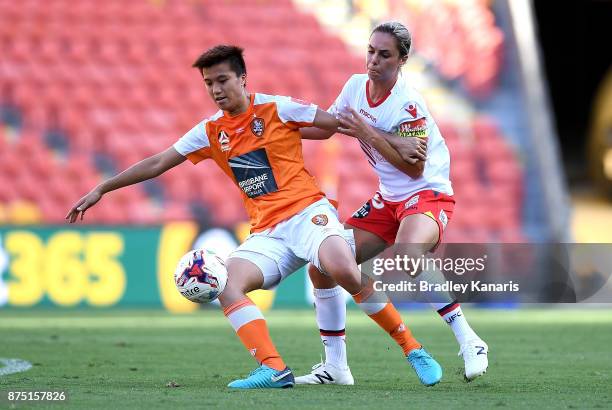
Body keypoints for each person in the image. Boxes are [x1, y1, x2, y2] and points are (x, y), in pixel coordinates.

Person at [66, 45, 442, 389]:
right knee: (224, 283)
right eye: (209, 83)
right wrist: (103, 188)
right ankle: (273, 368)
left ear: (242, 79)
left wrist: (394, 141)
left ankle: (412, 349)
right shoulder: (210, 131)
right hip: (268, 231)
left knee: (341, 267)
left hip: (308, 213)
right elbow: (159, 161)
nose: (215, 89)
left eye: (223, 80)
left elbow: (334, 125)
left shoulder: (277, 108)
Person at [296, 21, 489, 385]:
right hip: (388, 199)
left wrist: (368, 131)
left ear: (401, 60)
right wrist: (278, 126)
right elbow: (328, 125)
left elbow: (415, 169)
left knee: (409, 252)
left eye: (384, 55)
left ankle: (470, 342)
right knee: (322, 264)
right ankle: (335, 367)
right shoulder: (355, 87)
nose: (373, 60)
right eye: (371, 51)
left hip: (427, 192)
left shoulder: (408, 104)